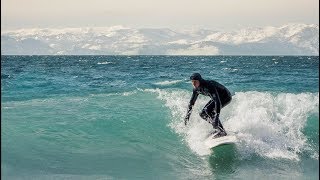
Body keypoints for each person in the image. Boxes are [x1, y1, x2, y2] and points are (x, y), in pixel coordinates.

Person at [184, 73, 232, 138]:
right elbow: (192, 102)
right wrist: (187, 116)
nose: (193, 84)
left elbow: (217, 101)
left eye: (195, 81)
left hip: (226, 97)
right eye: (192, 82)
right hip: (216, 98)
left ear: (199, 81)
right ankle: (218, 128)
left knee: (208, 110)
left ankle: (222, 131)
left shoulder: (209, 85)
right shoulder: (196, 88)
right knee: (202, 114)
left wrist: (217, 117)